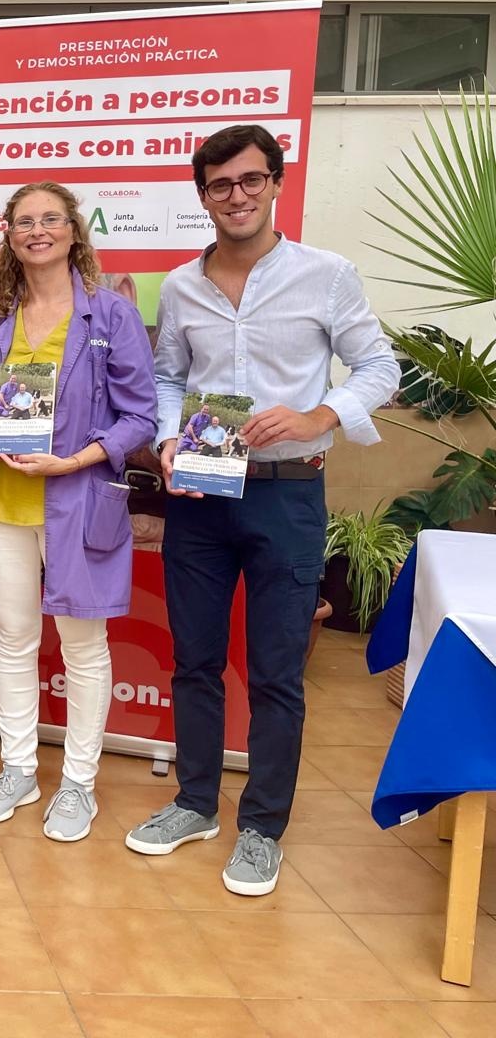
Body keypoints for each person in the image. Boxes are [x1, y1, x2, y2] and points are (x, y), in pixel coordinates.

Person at [125, 124, 400, 894]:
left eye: (250, 180)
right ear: (203, 196)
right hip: (203, 501)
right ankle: (195, 804)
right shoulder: (181, 286)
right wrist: (171, 437)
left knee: (278, 672)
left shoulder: (326, 275)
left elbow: (380, 366)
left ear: (276, 183)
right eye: (220, 185)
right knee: (196, 662)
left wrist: (322, 414)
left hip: (287, 497)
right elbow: (169, 376)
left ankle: (262, 827)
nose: (236, 196)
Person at [0, 181, 157, 841]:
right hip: (4, 501)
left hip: (76, 499)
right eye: (24, 222)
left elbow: (142, 416)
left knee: (83, 646)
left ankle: (78, 784)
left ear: (73, 230)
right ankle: (16, 768)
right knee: (12, 638)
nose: (37, 231)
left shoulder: (111, 314)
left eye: (51, 219)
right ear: (9, 234)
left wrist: (76, 461)